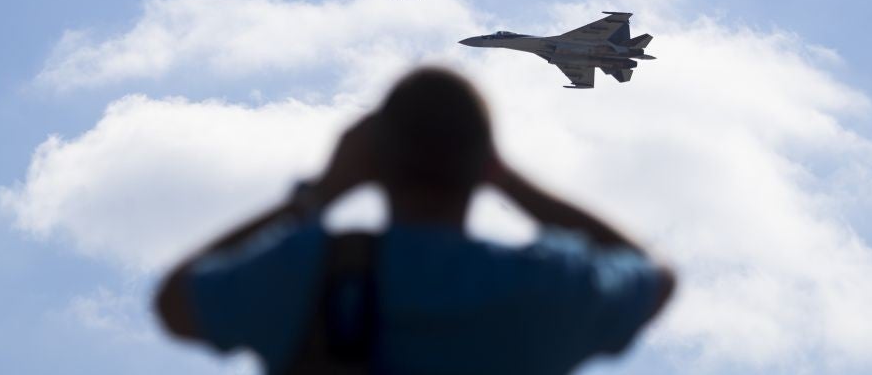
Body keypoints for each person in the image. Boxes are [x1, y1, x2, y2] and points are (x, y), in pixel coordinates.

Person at [155, 67, 676, 374]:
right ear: (483, 163)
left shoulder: (305, 273)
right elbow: (651, 273)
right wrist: (508, 180)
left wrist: (320, 194)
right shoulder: (549, 287)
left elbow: (173, 301)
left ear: (374, 163)